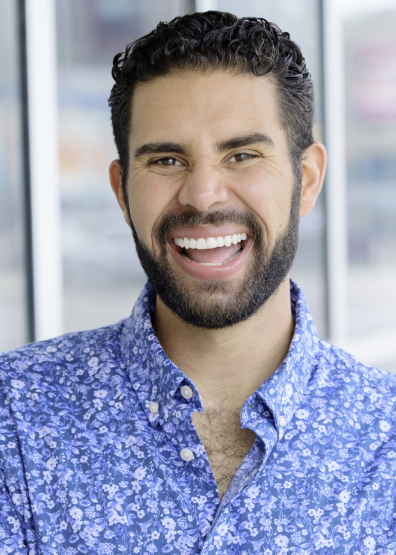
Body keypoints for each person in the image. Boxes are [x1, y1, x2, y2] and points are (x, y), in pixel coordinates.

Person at [1, 10, 395, 554]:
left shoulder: (387, 437)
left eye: (241, 155)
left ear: (305, 180)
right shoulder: (14, 418)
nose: (203, 195)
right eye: (166, 159)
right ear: (122, 193)